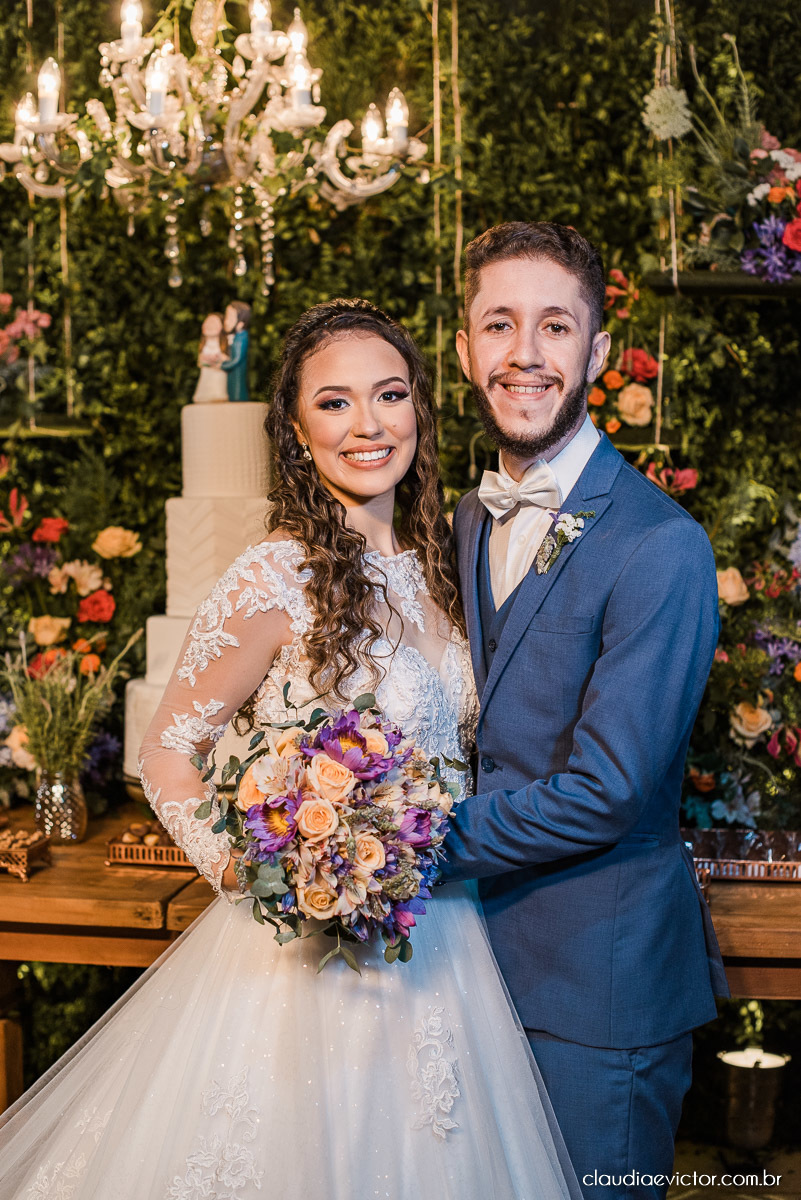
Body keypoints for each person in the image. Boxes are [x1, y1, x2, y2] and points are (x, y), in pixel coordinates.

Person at [0, 299, 581, 1200]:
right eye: (335, 403)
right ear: (298, 427)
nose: (368, 425)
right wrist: (247, 871)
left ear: (418, 411)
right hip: (305, 953)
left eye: (388, 395)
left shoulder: (445, 562)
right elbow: (166, 753)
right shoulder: (274, 574)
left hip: (445, 941)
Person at [440, 222, 729, 1200]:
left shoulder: (661, 547)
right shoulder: (466, 519)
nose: (525, 354)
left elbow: (605, 792)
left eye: (555, 327)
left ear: (597, 351)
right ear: (464, 346)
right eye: (499, 324)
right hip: (463, 971)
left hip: (598, 1001)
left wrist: (407, 841)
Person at [192, 311, 229, 403]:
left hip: (218, 376)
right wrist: (207, 360)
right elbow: (200, 362)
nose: (210, 325)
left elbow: (226, 360)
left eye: (214, 323)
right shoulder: (204, 346)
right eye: (207, 322)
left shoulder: (223, 347)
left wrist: (219, 358)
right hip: (206, 375)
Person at [221, 300, 251, 401]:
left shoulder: (241, 337)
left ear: (241, 322)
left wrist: (221, 365)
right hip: (233, 374)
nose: (226, 321)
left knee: (237, 393)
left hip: (237, 375)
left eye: (229, 318)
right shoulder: (236, 336)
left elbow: (236, 359)